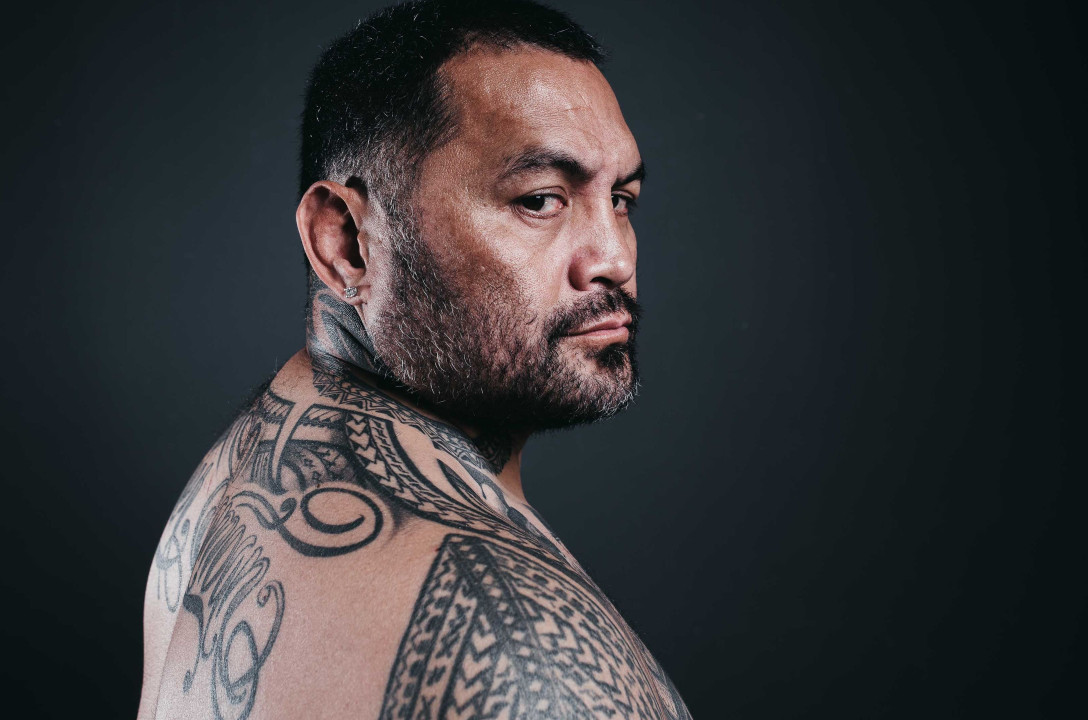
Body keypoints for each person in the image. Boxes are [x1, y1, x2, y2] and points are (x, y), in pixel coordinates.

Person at [137, 1, 690, 717]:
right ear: (347, 242)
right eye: (540, 200)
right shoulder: (521, 650)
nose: (613, 258)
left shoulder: (240, 476)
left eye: (620, 199)